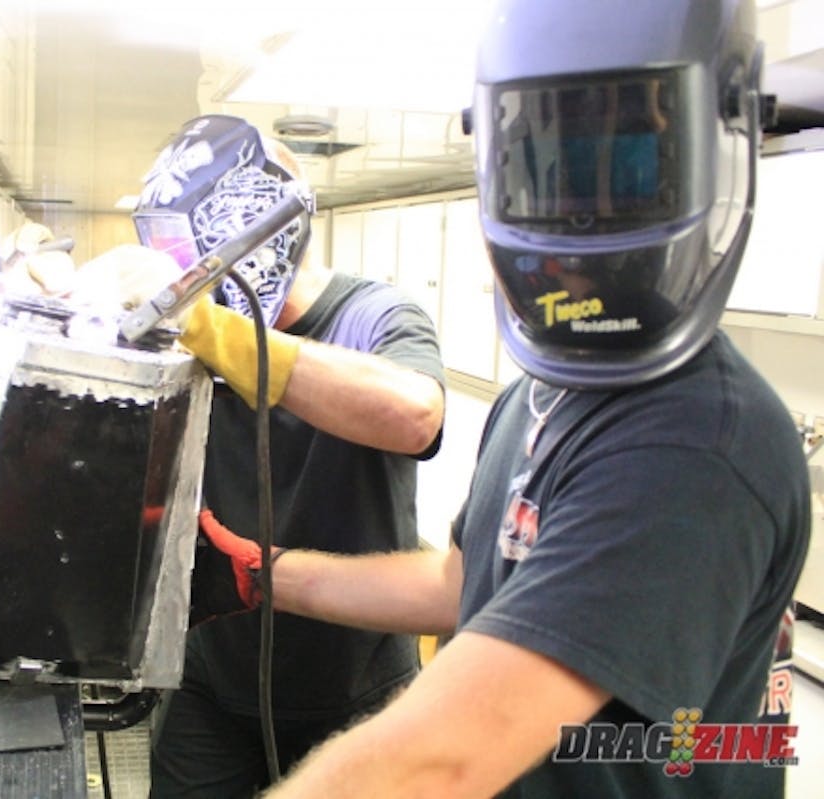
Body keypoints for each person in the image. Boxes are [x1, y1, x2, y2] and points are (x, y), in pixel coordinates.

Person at [193, 1, 811, 797]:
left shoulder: (695, 439)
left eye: (625, 167)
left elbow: (445, 757)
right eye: (543, 166)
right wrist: (266, 574)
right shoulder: (543, 392)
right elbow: (462, 584)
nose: (576, 216)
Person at [126, 114, 447, 797]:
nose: (185, 278)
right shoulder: (197, 328)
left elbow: (415, 415)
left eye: (193, 258)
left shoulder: (375, 315)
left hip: (359, 693)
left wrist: (217, 333)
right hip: (214, 682)